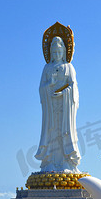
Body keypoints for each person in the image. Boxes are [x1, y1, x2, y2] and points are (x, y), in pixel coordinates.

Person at [35, 35, 81, 172]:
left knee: (65, 132)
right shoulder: (47, 68)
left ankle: (66, 163)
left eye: (59, 52)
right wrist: (49, 85)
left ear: (64, 52)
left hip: (65, 107)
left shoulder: (68, 67)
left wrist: (64, 93)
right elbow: (41, 88)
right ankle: (50, 163)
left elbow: (74, 87)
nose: (56, 55)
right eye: (54, 53)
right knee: (51, 133)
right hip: (50, 109)